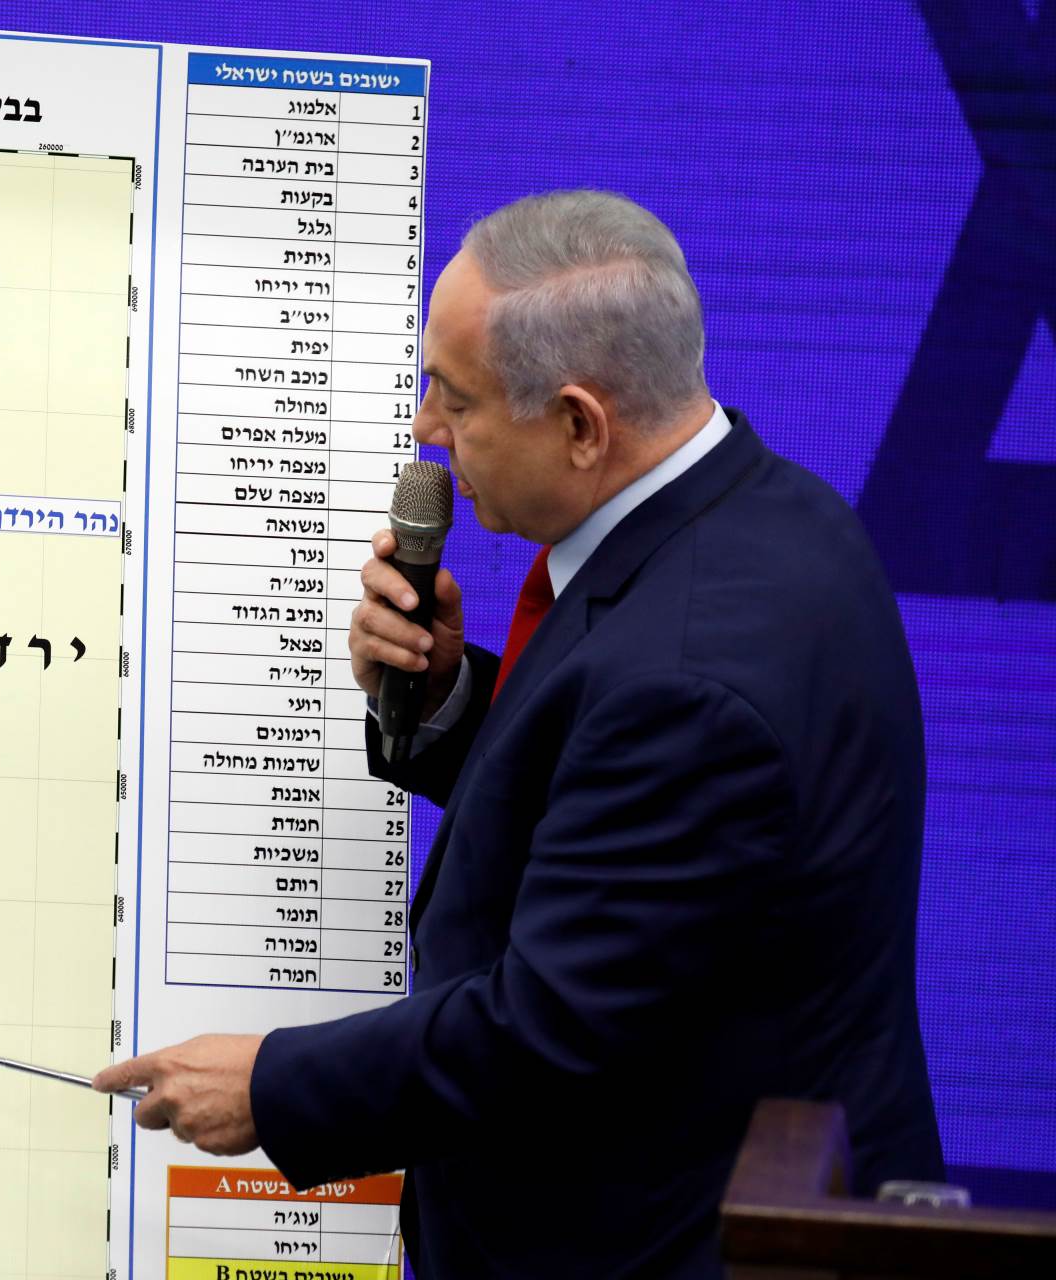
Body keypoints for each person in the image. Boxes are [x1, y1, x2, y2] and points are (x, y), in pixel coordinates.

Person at [94, 190, 944, 1277]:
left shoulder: (688, 678)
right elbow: (621, 824)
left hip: (663, 1244)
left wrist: (270, 1084)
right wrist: (448, 695)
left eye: (456, 399)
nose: (426, 431)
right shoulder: (769, 514)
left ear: (581, 424)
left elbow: (550, 1024)